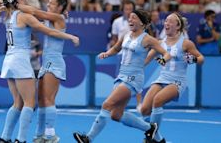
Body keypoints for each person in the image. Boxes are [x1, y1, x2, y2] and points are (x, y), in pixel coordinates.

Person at [73, 10, 171, 143]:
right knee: (116, 114)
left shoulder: (148, 39)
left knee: (107, 104)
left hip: (133, 78)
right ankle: (150, 128)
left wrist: (163, 60)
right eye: (130, 18)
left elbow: (166, 53)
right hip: (121, 76)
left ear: (142, 23)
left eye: (134, 18)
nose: (130, 20)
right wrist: (106, 53)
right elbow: (116, 48)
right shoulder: (126, 34)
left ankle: (88, 138)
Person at [0, 0, 79, 143]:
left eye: (51, 3)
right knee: (34, 101)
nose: (47, 5)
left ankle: (47, 135)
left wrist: (10, 4)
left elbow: (36, 13)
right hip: (25, 60)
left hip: (49, 62)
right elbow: (38, 18)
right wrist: (10, 3)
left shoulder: (13, 15)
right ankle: (29, 137)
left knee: (41, 100)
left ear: (60, 7)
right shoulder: (31, 16)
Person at [140, 13, 204, 143]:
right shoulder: (159, 42)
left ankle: (151, 138)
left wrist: (194, 59)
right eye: (166, 21)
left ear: (178, 26)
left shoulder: (186, 43)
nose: (166, 23)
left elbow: (202, 59)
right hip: (161, 79)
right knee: (145, 109)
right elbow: (147, 59)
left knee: (157, 100)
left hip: (177, 82)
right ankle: (159, 139)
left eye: (170, 21)